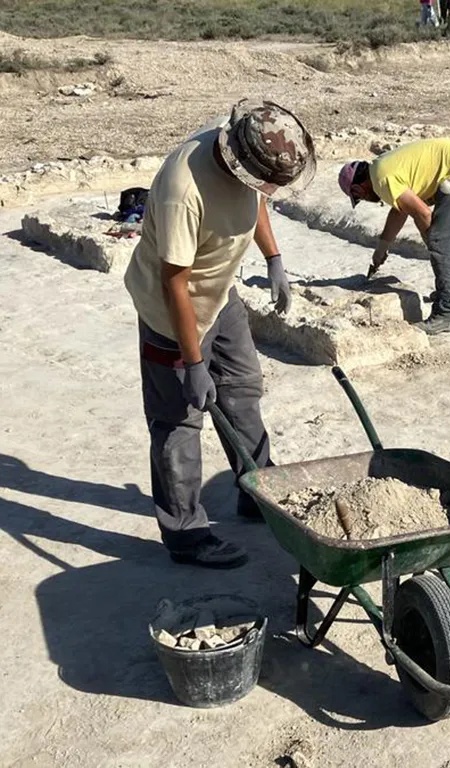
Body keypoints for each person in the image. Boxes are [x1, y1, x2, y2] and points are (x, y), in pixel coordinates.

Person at [123, 100, 316, 568]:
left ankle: (256, 488)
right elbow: (174, 282)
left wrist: (273, 258)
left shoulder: (246, 143)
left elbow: (258, 196)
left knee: (242, 390)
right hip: (173, 311)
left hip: (219, 294)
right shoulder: (182, 190)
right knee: (178, 423)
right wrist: (191, 363)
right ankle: (187, 534)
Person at [337, 138, 450, 335]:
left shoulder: (382, 179)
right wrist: (382, 247)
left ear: (358, 189)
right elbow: (400, 210)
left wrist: (436, 247)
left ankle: (447, 312)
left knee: (443, 238)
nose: (366, 200)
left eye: (359, 197)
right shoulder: (381, 167)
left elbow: (423, 213)